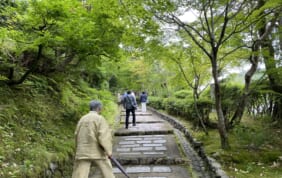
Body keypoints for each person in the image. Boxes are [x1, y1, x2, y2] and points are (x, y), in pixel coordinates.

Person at [72, 100, 115, 178]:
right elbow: (103, 137)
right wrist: (109, 151)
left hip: (82, 151)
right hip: (97, 151)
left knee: (80, 174)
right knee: (107, 170)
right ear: (99, 108)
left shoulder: (82, 119)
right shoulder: (99, 119)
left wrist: (77, 149)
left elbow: (76, 135)